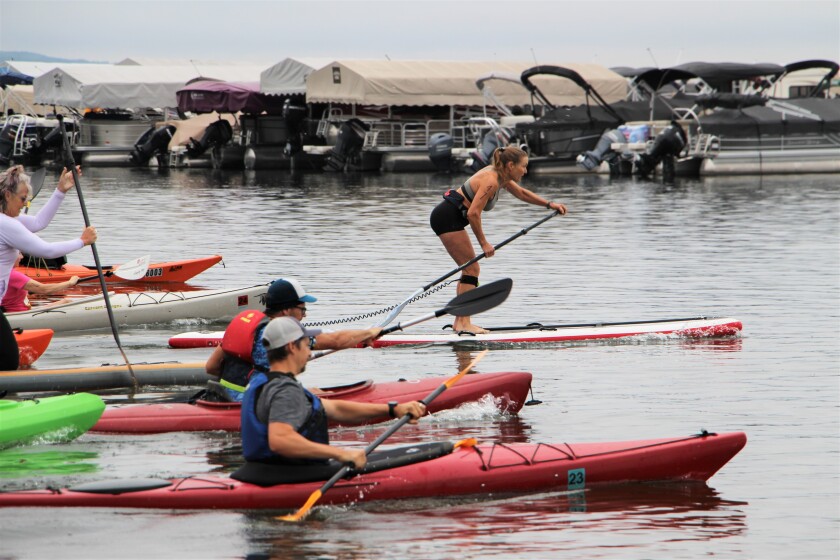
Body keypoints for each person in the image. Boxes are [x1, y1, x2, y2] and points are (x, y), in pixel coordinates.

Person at [231, 316, 426, 485]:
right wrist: (341, 454)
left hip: (260, 473)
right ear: (292, 347)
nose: (309, 353)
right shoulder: (285, 391)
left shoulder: (262, 382)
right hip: (289, 477)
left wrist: (392, 410)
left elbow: (335, 409)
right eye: (306, 345)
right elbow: (280, 441)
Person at [429, 146, 567, 334]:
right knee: (472, 269)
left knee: (470, 270)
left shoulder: (503, 176)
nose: (525, 171)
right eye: (523, 166)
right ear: (510, 165)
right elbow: (473, 213)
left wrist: (550, 204)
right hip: (446, 218)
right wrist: (484, 244)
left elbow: (522, 193)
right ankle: (463, 323)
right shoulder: (491, 180)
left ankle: (460, 322)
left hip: (452, 218)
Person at [205, 277, 382, 402]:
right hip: (251, 403)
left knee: (309, 390)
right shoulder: (283, 333)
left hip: (221, 397)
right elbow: (334, 340)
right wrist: (369, 333)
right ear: (286, 310)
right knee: (318, 394)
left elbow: (211, 367)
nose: (304, 316)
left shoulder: (246, 324)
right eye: (302, 310)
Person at [0, 165, 97, 370]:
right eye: (23, 199)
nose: (25, 203)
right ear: (8, 195)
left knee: (8, 359)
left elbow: (38, 222)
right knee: (9, 360)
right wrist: (82, 241)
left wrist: (60, 191)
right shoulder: (6, 224)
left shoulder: (8, 220)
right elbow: (46, 250)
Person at [1, 251, 80, 312]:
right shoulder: (13, 274)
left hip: (15, 312)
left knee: (66, 301)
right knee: (67, 302)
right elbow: (44, 289)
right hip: (20, 314)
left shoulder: (3, 271)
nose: (22, 257)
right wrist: (70, 283)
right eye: (19, 253)